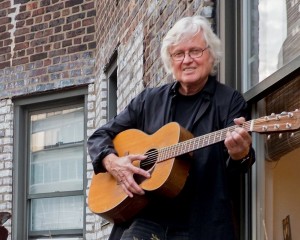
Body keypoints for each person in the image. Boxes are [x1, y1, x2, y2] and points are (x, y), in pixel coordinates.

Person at [87, 15, 255, 240]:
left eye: (195, 51)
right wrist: (113, 162)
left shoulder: (229, 101)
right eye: (179, 54)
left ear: (210, 55)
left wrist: (240, 154)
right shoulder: (149, 100)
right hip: (144, 219)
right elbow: (100, 136)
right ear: (170, 60)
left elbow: (237, 169)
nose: (187, 60)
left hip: (200, 224)